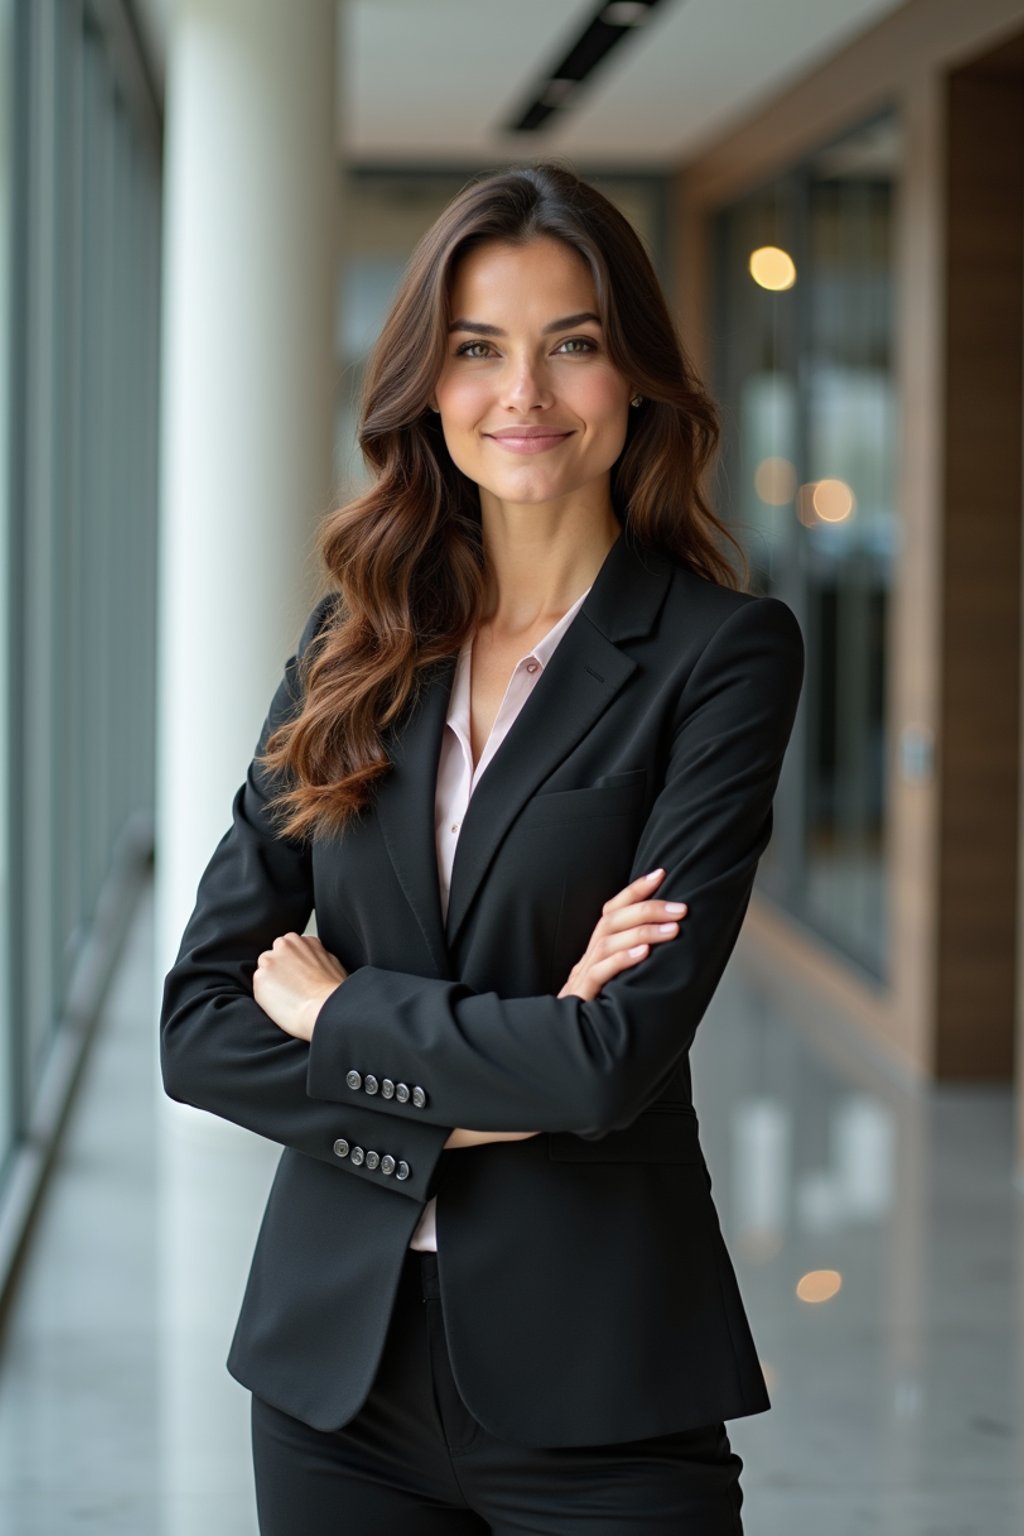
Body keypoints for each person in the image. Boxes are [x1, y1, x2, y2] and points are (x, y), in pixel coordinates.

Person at [160, 160, 805, 1535]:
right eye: (477, 349)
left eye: (570, 344)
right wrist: (519, 1059)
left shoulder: (721, 657)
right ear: (426, 386)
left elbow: (613, 1061)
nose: (524, 393)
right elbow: (202, 1026)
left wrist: (340, 1014)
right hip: (335, 1385)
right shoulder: (350, 651)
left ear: (633, 376)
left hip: (604, 1381)